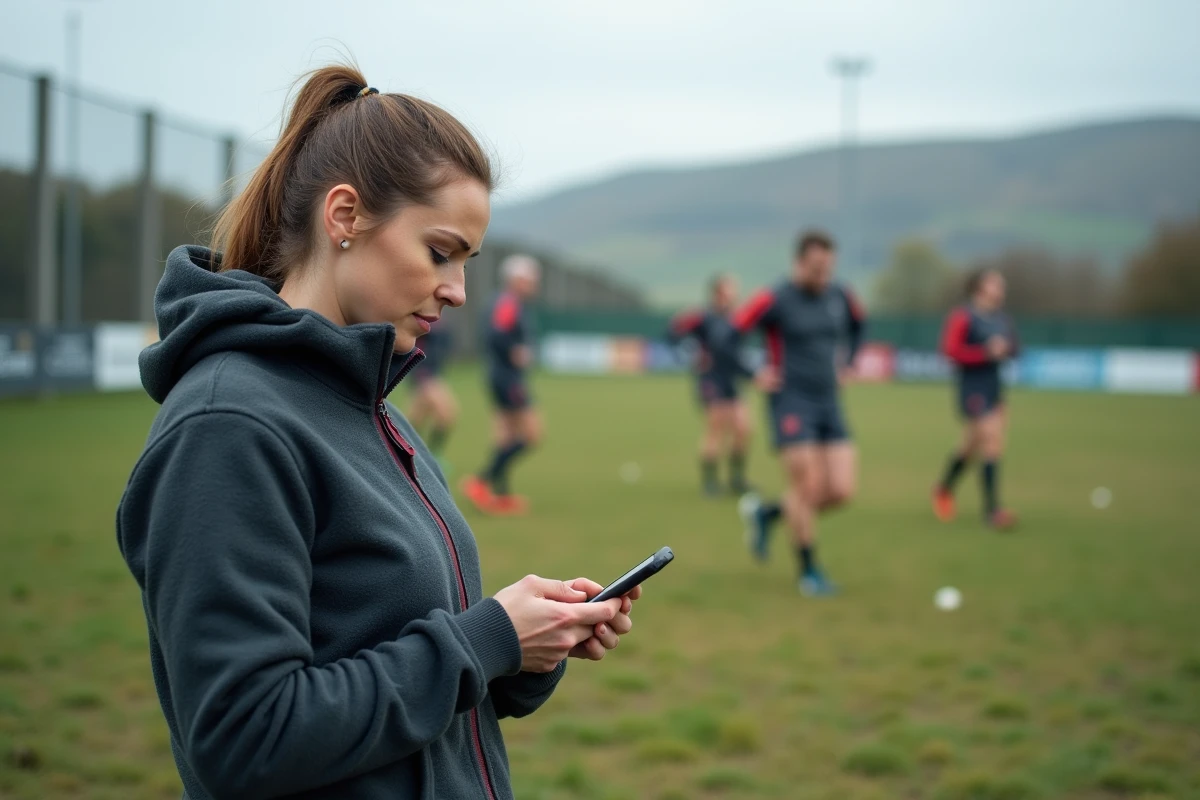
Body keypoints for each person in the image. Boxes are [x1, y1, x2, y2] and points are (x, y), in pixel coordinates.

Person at [115, 65, 641, 800]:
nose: (458, 290)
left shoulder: (375, 408)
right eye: (440, 252)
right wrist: (486, 637)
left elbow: (394, 675)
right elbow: (244, 740)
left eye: (467, 262)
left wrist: (524, 651)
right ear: (345, 217)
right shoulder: (226, 427)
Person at [732, 230, 866, 596]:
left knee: (840, 491)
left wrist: (851, 361)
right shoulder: (775, 297)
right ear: (799, 263)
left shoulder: (840, 294)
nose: (823, 275)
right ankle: (809, 572)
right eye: (816, 268)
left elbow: (859, 325)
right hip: (791, 402)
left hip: (829, 401)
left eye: (828, 268)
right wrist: (752, 372)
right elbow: (730, 333)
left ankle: (768, 514)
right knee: (805, 488)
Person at [932, 268, 1019, 530]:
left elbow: (1016, 348)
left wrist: (1006, 349)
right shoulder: (963, 316)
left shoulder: (1003, 319)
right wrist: (984, 352)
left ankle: (943, 488)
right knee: (992, 441)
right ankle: (992, 511)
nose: (1001, 289)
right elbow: (950, 351)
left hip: (995, 389)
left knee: (970, 446)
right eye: (996, 284)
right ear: (979, 288)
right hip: (972, 389)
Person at [462, 255, 543, 515]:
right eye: (530, 280)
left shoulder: (508, 302)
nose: (534, 285)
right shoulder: (508, 303)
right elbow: (496, 333)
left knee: (506, 436)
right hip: (508, 378)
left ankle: (501, 494)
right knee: (531, 434)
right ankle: (481, 481)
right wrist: (514, 351)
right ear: (516, 280)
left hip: (499, 375)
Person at [667, 274, 754, 496]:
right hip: (711, 379)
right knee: (716, 430)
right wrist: (691, 354)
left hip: (732, 379)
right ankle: (710, 482)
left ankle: (737, 479)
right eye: (731, 288)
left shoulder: (737, 317)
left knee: (744, 428)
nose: (736, 293)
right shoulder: (703, 316)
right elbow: (673, 331)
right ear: (718, 292)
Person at [407, 317, 457, 468]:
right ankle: (431, 457)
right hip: (424, 376)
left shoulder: (437, 320)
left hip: (433, 375)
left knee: (415, 420)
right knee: (446, 415)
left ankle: (413, 454)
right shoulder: (420, 318)